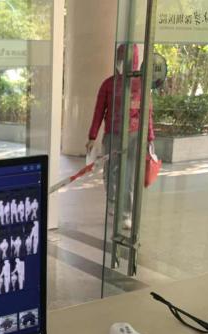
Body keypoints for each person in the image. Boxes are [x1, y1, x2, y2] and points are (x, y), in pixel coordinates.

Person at [87, 44, 155, 230]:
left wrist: (150, 137)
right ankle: (112, 202)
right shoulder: (108, 84)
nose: (122, 62)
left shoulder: (142, 85)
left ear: (135, 59)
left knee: (129, 176)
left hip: (134, 137)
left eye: (126, 58)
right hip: (112, 135)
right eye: (120, 58)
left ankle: (126, 214)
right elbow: (99, 111)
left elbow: (147, 113)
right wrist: (92, 136)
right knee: (110, 171)